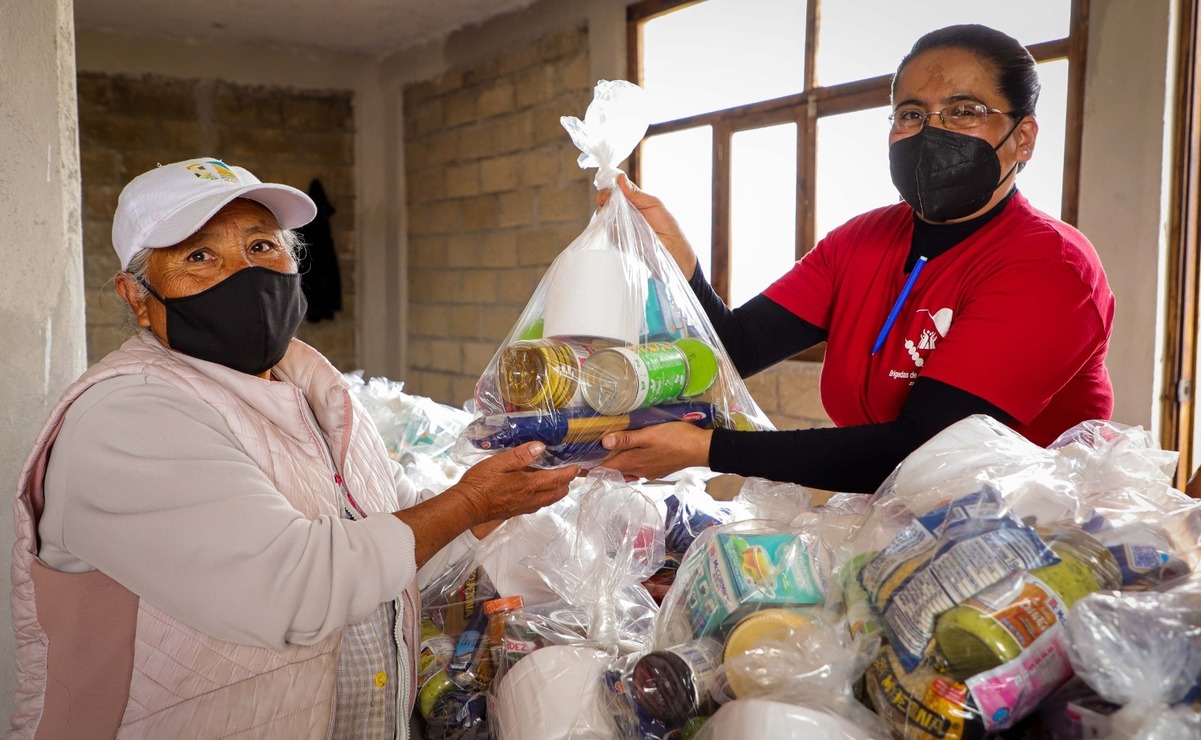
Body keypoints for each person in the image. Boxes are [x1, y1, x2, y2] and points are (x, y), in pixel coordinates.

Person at [10, 158, 578, 739]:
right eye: (199, 256)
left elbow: (385, 528)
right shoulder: (126, 417)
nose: (243, 274)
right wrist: (470, 504)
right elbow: (291, 587)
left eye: (262, 246)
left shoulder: (307, 388)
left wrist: (513, 486)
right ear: (137, 296)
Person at [598, 24, 1114, 494]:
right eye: (912, 114)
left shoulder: (1049, 266)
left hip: (1035, 542)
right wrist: (679, 261)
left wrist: (709, 449)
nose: (932, 132)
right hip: (908, 528)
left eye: (964, 110)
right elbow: (735, 349)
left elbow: (921, 449)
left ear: (1022, 138)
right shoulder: (862, 240)